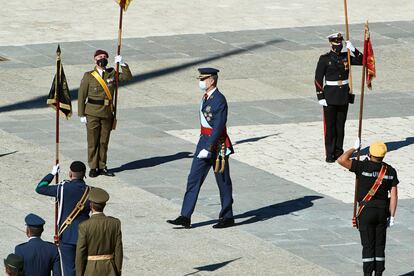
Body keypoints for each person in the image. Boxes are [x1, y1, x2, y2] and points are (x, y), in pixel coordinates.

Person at [167, 67, 235, 229]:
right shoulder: (206, 97)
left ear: (212, 80)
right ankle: (185, 216)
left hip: (217, 145)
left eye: (203, 79)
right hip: (203, 142)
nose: (201, 82)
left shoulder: (219, 99)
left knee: (223, 181)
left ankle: (227, 216)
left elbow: (219, 126)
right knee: (193, 179)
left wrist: (210, 147)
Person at [337, 140, 399, 276]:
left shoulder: (362, 166)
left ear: (370, 153)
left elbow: (341, 160)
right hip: (382, 212)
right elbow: (394, 196)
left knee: (368, 246)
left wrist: (354, 148)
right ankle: (378, 274)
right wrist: (392, 216)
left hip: (366, 211)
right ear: (383, 155)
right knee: (379, 246)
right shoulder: (390, 170)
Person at [78, 49, 133, 177]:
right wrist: (81, 114)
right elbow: (81, 96)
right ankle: (93, 167)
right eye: (100, 56)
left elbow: (127, 77)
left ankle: (102, 166)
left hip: (107, 113)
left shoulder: (112, 73)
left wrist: (123, 64)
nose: (102, 58)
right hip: (92, 112)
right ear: (95, 59)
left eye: (104, 57)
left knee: (104, 141)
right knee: (92, 142)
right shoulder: (89, 76)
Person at [314, 32, 363, 163]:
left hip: (343, 96)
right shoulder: (324, 59)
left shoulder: (346, 56)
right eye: (336, 43)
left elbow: (363, 61)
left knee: (340, 126)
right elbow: (318, 78)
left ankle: (339, 152)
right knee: (330, 127)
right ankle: (330, 154)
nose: (338, 46)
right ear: (331, 44)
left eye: (340, 43)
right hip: (330, 96)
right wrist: (320, 96)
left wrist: (353, 49)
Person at [36, 161, 90, 276]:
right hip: (85, 235)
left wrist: (52, 174)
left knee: (69, 269)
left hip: (66, 236)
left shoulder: (62, 188)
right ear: (84, 174)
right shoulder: (90, 191)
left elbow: (40, 188)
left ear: (70, 174)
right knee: (84, 268)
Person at [76, 187, 123, 276]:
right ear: (104, 205)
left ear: (90, 206)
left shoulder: (84, 226)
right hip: (110, 269)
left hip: (90, 270)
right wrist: (117, 271)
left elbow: (80, 252)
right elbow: (118, 250)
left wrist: (79, 273)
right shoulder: (115, 223)